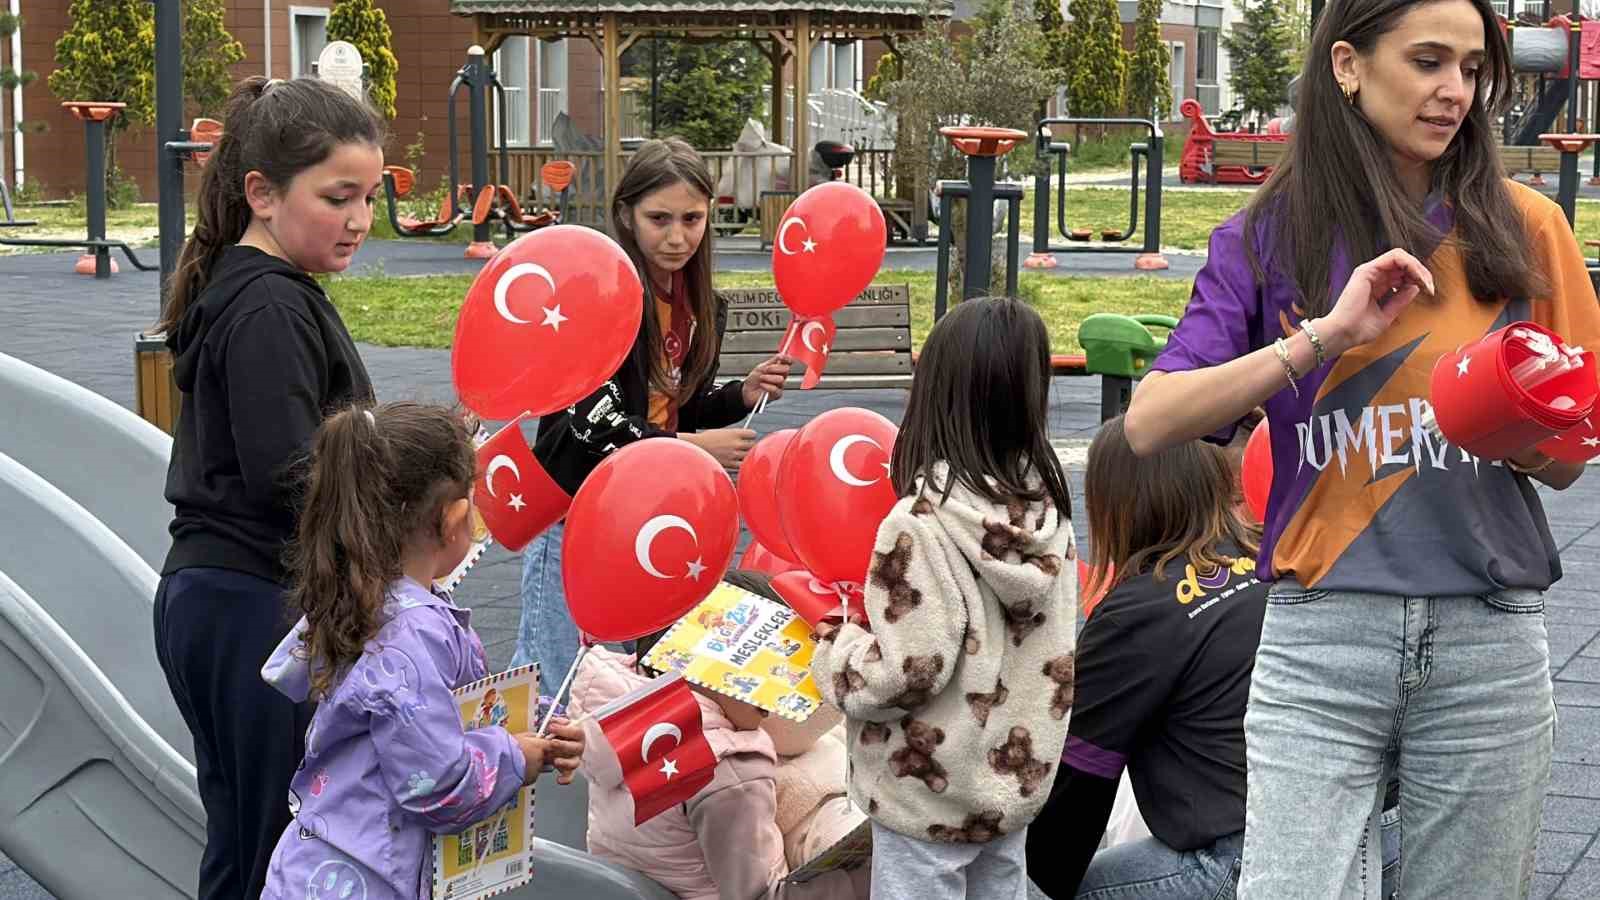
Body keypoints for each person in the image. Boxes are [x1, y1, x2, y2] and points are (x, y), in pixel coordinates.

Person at [1121, 0, 1600, 894]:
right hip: (1321, 638)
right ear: (1348, 65)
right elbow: (1151, 421)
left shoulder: (1529, 229)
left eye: (1470, 68)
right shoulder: (1273, 233)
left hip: (1486, 639)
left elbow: (1570, 460)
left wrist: (1504, 423)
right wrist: (1322, 338)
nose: (1453, 90)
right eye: (1426, 61)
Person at [150, 75, 385, 899]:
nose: (359, 219)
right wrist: (402, 481)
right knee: (277, 852)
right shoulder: (269, 307)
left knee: (250, 840)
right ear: (261, 192)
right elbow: (291, 471)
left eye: (370, 196)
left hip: (226, 600)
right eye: (338, 196)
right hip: (253, 607)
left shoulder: (261, 294)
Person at [258, 402, 586, 899]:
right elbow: (438, 785)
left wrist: (536, 717)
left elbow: (449, 707)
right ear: (454, 519)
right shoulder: (413, 634)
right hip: (369, 882)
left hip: (326, 868)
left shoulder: (365, 595)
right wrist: (518, 755)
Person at [811, 297, 1077, 900]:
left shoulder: (920, 524)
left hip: (924, 790)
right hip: (1012, 782)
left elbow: (907, 673)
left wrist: (837, 650)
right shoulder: (1048, 516)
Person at [514, 136, 792, 694]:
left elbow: (676, 404)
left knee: (644, 678)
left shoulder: (699, 306)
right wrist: (690, 448)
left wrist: (740, 394)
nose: (677, 236)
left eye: (692, 218)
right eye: (658, 218)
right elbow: (594, 419)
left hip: (645, 513)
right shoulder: (603, 297)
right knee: (552, 681)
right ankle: (516, 778)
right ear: (625, 215)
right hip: (574, 509)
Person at [1026, 418, 1265, 898]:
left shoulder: (1136, 610)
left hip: (1235, 858)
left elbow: (1080, 788)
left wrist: (1028, 880)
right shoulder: (1262, 554)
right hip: (1343, 832)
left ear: (1115, 503)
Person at [564, 571, 864, 899]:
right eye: (769, 663)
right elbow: (760, 895)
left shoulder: (626, 711)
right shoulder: (728, 767)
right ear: (708, 663)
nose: (784, 685)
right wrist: (867, 879)